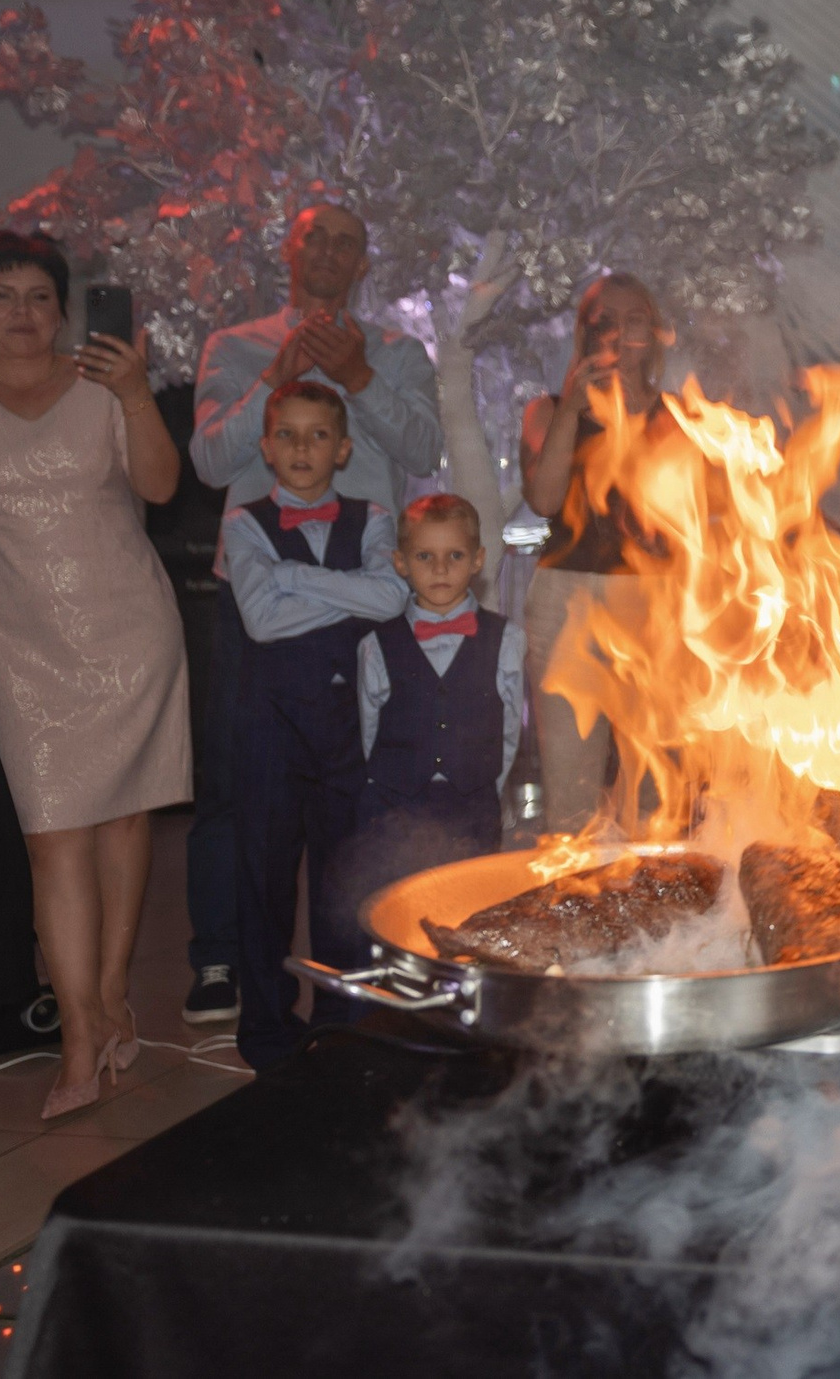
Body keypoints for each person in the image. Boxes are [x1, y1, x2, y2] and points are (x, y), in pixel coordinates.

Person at [0, 232, 191, 1116]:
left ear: (64, 310)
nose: (21, 312)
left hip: (128, 631)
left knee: (123, 822)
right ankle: (79, 1034)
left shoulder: (103, 386)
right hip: (19, 642)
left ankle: (109, 997)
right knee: (50, 835)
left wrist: (132, 393)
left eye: (39, 295)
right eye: (1, 295)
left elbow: (161, 487)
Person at [186, 203, 440, 1026]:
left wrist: (359, 381)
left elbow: (422, 452)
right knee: (237, 784)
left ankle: (350, 979)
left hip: (363, 586)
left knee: (356, 792)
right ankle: (223, 961)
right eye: (314, 236)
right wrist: (278, 373)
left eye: (346, 240)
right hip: (257, 585)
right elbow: (211, 457)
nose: (328, 251)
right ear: (289, 249)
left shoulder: (397, 353)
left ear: (365, 259)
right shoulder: (235, 344)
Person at [219, 381, 409, 1069]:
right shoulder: (242, 522)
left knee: (342, 880)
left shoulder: (374, 512)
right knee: (264, 879)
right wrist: (342, 591)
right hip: (268, 724)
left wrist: (290, 575)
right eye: (288, 435)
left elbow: (390, 599)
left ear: (344, 446)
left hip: (347, 728)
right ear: (266, 448)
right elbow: (260, 621)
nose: (302, 448)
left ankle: (341, 1025)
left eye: (318, 434)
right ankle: (267, 1030)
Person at [518, 273, 673, 833]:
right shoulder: (548, 409)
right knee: (571, 789)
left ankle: (661, 909)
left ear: (653, 335)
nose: (618, 331)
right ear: (585, 332)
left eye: (633, 319)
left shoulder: (683, 419)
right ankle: (571, 901)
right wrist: (573, 409)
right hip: (566, 597)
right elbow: (543, 499)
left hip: (655, 600)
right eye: (603, 319)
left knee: (656, 787)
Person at [347, 493, 524, 920]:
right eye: (425, 556)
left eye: (455, 555)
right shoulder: (376, 646)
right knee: (399, 910)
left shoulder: (507, 639)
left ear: (478, 560)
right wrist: (393, 781)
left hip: (472, 807)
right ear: (401, 563)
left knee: (469, 912)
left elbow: (510, 728)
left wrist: (486, 789)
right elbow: (369, 731)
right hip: (396, 806)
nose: (440, 568)